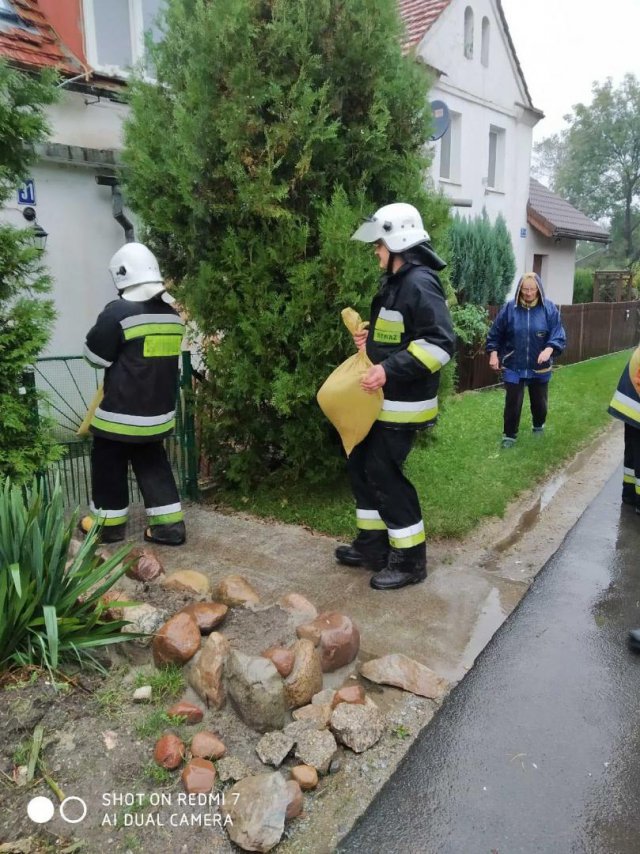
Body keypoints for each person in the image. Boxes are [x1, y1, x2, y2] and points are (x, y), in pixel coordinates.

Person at [334, 202, 455, 590]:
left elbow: (439, 344)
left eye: (380, 245)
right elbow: (398, 335)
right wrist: (370, 341)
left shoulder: (419, 283)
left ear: (399, 243)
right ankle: (373, 546)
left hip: (403, 405)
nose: (376, 251)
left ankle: (409, 560)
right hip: (382, 401)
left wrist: (387, 370)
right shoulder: (396, 283)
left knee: (384, 472)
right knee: (361, 466)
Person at [79, 242, 186, 545]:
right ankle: (170, 528)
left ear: (121, 276)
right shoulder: (172, 316)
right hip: (158, 417)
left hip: (118, 417)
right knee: (153, 463)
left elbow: (95, 357)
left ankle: (108, 528)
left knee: (108, 465)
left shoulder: (119, 313)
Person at [486, 272, 566, 448]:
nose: (528, 293)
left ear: (538, 289)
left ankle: (538, 426)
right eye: (525, 289)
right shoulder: (509, 309)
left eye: (532, 289)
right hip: (514, 363)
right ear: (519, 290)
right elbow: (495, 334)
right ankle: (509, 436)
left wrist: (549, 348)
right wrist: (493, 353)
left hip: (540, 366)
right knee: (513, 402)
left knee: (540, 403)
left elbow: (558, 333)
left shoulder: (549, 309)